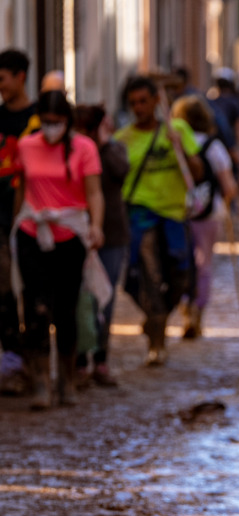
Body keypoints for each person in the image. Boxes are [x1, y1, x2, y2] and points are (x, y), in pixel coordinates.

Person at [12, 90, 104, 409]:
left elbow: (94, 192)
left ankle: (67, 380)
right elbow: (21, 190)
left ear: (68, 121)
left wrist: (96, 225)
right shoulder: (25, 146)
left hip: (70, 236)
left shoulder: (85, 148)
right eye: (47, 122)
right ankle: (39, 382)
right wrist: (14, 225)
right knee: (35, 309)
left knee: (65, 310)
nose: (52, 128)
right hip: (31, 232)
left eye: (58, 122)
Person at [114, 75, 202, 366]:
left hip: (174, 214)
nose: (138, 108)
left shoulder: (177, 129)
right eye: (133, 103)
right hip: (140, 213)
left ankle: (158, 317)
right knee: (148, 273)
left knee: (181, 274)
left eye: (143, 101)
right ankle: (157, 337)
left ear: (155, 101)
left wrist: (182, 149)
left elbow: (199, 173)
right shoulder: (122, 139)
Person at [171, 95, 237, 339]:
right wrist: (225, 205)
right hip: (209, 213)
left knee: (180, 260)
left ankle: (184, 304)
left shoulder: (174, 143)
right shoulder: (214, 146)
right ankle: (198, 308)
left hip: (177, 210)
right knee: (204, 263)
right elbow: (229, 187)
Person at [73, 104, 129, 387]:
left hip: (112, 235)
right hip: (75, 233)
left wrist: (105, 144)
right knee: (82, 301)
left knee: (104, 300)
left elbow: (123, 172)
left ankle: (102, 360)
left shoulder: (112, 151)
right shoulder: (69, 151)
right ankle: (82, 360)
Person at [0, 49, 38, 394]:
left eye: (3, 78)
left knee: (34, 288)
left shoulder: (40, 120)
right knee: (4, 287)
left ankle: (36, 361)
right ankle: (13, 357)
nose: (0, 86)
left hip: (36, 216)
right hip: (1, 215)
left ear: (20, 76)